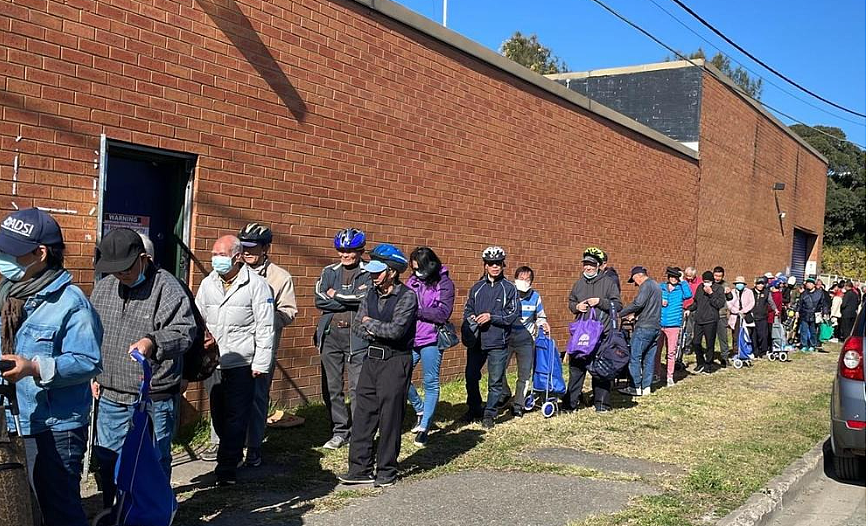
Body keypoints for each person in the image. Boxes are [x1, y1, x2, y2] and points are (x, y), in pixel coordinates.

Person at [0, 208, 103, 526]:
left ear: (40, 253)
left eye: (11, 252)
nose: (3, 257)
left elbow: (88, 362)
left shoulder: (72, 303)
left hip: (55, 427)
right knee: (19, 505)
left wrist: (34, 367)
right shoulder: (7, 292)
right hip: (12, 421)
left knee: (58, 510)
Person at [90, 228, 196, 510]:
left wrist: (153, 341)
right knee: (108, 457)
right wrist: (93, 373)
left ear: (144, 258)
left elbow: (185, 331)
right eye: (113, 269)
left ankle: (154, 513)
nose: (119, 275)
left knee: (153, 460)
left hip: (152, 397)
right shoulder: (103, 288)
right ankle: (115, 510)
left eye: (124, 268)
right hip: (110, 392)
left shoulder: (168, 288)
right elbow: (92, 332)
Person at [196, 235, 274, 485]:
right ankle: (230, 451)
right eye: (214, 254)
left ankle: (227, 467)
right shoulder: (208, 283)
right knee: (218, 413)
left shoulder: (256, 285)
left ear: (238, 256)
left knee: (237, 415)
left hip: (243, 361)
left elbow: (265, 327)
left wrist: (261, 363)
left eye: (222, 254)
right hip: (215, 361)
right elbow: (198, 318)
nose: (216, 259)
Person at [338, 244, 417, 488]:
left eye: (378, 271)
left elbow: (396, 331)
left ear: (392, 272)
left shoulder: (407, 297)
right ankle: (359, 468)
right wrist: (373, 325)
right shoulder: (370, 293)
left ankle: (386, 471)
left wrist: (370, 323)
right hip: (370, 360)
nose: (372, 275)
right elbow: (356, 327)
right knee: (363, 413)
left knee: (390, 416)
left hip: (395, 361)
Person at [234, 222, 298, 467]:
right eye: (244, 247)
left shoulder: (280, 277)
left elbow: (289, 312)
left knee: (257, 397)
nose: (247, 252)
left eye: (253, 247)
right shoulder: (232, 271)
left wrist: (266, 315)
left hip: (262, 347)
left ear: (266, 248)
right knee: (226, 395)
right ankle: (224, 442)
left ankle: (253, 446)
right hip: (233, 346)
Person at [314, 228, 372, 450]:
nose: (346, 255)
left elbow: (366, 299)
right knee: (332, 386)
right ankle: (340, 430)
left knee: (358, 388)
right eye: (342, 250)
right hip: (331, 335)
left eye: (351, 251)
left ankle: (359, 431)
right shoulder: (329, 271)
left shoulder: (368, 272)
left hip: (358, 335)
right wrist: (350, 300)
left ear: (360, 251)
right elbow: (319, 299)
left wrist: (335, 295)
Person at [462, 246, 520, 428]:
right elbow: (468, 308)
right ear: (485, 266)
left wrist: (491, 317)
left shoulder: (509, 288)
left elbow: (513, 314)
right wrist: (470, 317)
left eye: (498, 264)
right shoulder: (477, 287)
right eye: (491, 264)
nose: (495, 267)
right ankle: (474, 408)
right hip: (477, 341)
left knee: (495, 381)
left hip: (498, 341)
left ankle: (490, 413)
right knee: (471, 375)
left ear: (503, 265)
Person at [405, 247, 455, 447]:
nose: (417, 271)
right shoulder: (413, 281)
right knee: (400, 376)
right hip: (410, 338)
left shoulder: (445, 283)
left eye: (420, 268)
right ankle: (420, 408)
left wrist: (416, 311)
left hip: (431, 338)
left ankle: (425, 426)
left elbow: (443, 313)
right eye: (414, 268)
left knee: (430, 381)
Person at [565, 248, 622, 412]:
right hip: (581, 334)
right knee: (576, 369)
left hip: (601, 334)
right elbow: (571, 302)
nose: (588, 268)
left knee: (601, 370)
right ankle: (571, 403)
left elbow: (617, 305)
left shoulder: (608, 283)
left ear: (598, 266)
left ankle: (602, 403)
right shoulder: (579, 283)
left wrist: (600, 301)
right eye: (585, 265)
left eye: (591, 265)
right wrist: (576, 306)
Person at [500, 265, 550, 417]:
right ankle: (505, 393)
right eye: (520, 278)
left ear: (531, 282)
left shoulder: (535, 296)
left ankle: (518, 404)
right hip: (507, 338)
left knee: (524, 374)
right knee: (498, 370)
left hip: (526, 340)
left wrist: (544, 324)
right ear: (515, 279)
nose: (523, 281)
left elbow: (541, 316)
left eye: (527, 279)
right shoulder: (507, 294)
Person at [618, 266, 661, 396]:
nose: (635, 284)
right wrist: (635, 316)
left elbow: (639, 303)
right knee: (649, 358)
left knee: (635, 357)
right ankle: (646, 387)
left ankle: (634, 386)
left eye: (634, 280)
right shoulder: (656, 286)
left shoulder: (646, 286)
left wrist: (621, 313)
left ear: (638, 276)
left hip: (644, 328)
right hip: (656, 327)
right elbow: (650, 307)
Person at [658, 267, 692, 386]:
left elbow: (689, 295)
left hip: (673, 324)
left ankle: (669, 376)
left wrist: (683, 281)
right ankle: (656, 374)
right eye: (672, 277)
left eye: (676, 277)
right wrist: (660, 300)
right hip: (660, 322)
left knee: (671, 352)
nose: (674, 279)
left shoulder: (681, 288)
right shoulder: (661, 287)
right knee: (657, 350)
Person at [688, 271, 726, 374]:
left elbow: (719, 304)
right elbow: (696, 302)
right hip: (699, 319)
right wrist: (689, 309)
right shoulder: (700, 287)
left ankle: (709, 364)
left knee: (710, 343)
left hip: (711, 320)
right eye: (704, 281)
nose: (706, 283)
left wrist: (711, 293)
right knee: (696, 342)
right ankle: (700, 362)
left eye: (708, 281)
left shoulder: (718, 289)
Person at [795, 276, 828, 352]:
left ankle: (812, 345)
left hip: (815, 315)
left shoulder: (819, 293)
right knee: (803, 330)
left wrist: (825, 312)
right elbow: (799, 303)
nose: (808, 285)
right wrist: (797, 311)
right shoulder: (804, 293)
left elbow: (824, 304)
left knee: (813, 331)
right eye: (807, 283)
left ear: (814, 284)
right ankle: (804, 345)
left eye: (810, 283)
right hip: (804, 314)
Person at [749, 277, 778, 357]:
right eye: (759, 284)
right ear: (755, 284)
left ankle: (763, 351)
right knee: (753, 336)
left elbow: (771, 302)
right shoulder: (751, 292)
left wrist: (775, 309)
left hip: (763, 317)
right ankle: (755, 352)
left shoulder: (766, 292)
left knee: (763, 335)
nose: (760, 286)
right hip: (753, 317)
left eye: (762, 284)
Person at [712, 266, 733, 367]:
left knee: (723, 338)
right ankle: (709, 357)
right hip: (710, 315)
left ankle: (725, 358)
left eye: (719, 276)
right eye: (716, 275)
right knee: (710, 337)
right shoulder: (710, 284)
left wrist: (728, 293)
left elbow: (730, 298)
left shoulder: (725, 285)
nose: (717, 278)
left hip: (721, 315)